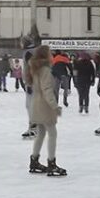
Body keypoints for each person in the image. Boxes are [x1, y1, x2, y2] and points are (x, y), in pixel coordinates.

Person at [25, 46, 67, 177]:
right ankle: (51, 163)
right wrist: (55, 106)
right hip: (44, 105)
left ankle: (34, 160)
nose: (52, 55)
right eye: (50, 53)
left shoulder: (34, 68)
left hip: (35, 103)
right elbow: (47, 89)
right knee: (52, 133)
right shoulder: (45, 70)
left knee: (41, 133)